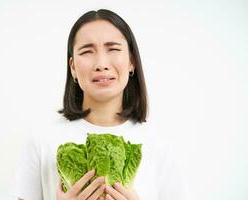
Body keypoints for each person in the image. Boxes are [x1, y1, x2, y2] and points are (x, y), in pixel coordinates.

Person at [11, 9, 189, 200]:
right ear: (73, 67)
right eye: (87, 51)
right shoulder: (42, 138)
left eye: (113, 49)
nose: (101, 64)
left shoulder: (158, 144)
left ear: (131, 61)